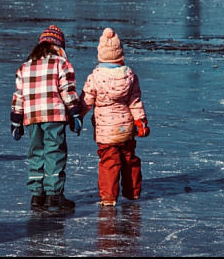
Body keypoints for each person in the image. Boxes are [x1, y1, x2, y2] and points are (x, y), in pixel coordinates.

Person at [10, 25, 82, 210]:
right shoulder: (61, 63)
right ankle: (53, 195)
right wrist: (76, 112)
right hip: (54, 116)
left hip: (32, 117)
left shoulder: (25, 67)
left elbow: (19, 95)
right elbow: (67, 91)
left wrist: (16, 120)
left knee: (36, 152)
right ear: (58, 46)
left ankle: (36, 196)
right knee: (54, 152)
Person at [76, 28, 150, 207]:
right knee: (129, 159)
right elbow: (135, 102)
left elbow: (86, 101)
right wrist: (140, 121)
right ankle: (132, 193)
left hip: (106, 132)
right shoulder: (130, 76)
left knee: (110, 162)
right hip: (126, 129)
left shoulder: (95, 77)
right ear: (120, 54)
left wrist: (77, 116)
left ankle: (109, 197)